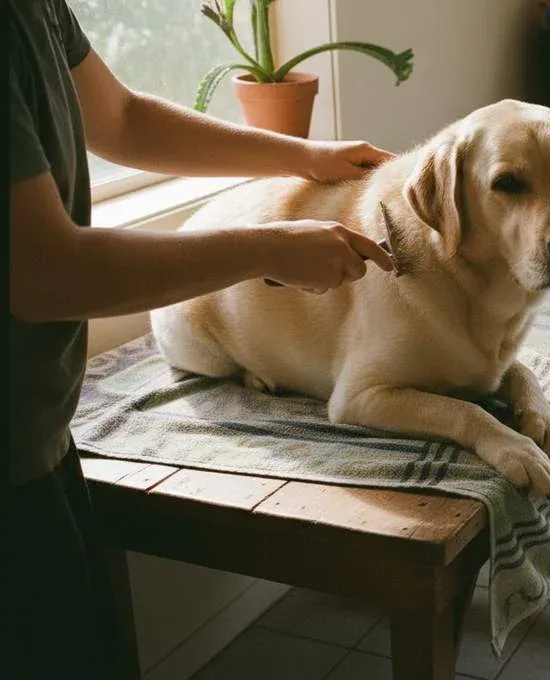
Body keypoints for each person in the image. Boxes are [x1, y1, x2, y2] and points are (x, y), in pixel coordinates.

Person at [5, 2, 398, 677]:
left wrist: (306, 157)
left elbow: (122, 118)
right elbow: (46, 273)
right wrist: (267, 247)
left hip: (36, 435)